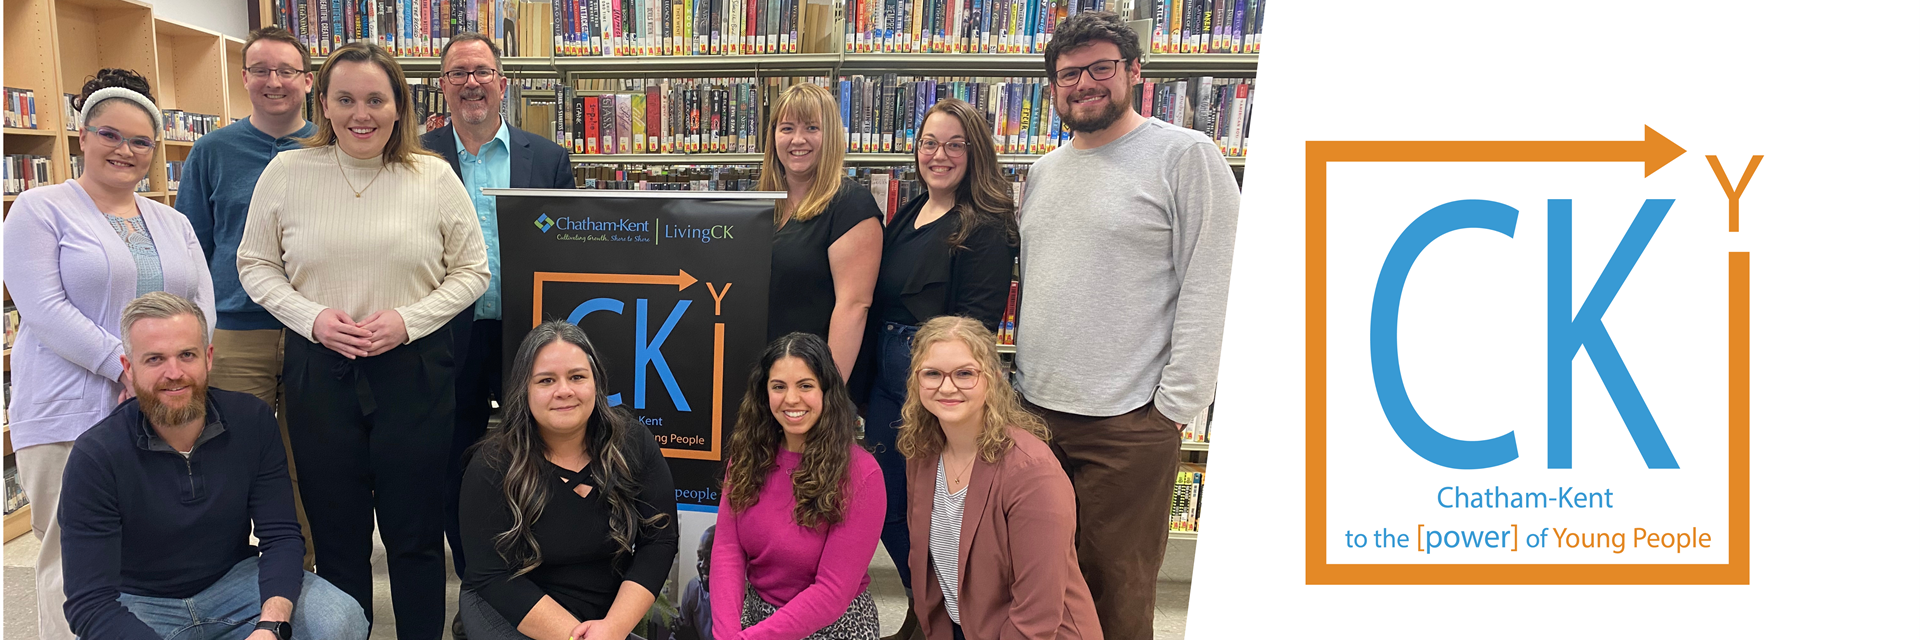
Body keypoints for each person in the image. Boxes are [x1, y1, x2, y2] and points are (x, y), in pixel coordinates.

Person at [236, 42, 490, 640]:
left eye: (376, 99)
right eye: (345, 98)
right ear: (321, 102)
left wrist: (410, 319)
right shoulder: (287, 172)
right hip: (320, 372)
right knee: (337, 538)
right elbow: (255, 264)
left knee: (416, 536)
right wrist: (311, 317)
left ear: (400, 105)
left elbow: (473, 270)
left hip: (415, 373)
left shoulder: (433, 176)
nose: (361, 114)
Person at [1015, 12, 1242, 640]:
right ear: (1052, 87)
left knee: (1115, 591)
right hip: (1036, 414)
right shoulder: (1043, 172)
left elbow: (1211, 283)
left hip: (1128, 422)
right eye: (1068, 74)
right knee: (1042, 583)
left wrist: (1173, 409)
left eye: (1100, 68)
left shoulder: (1186, 156)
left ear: (1135, 72)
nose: (1084, 84)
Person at [2, 68, 217, 640]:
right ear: (82, 136)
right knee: (72, 556)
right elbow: (43, 308)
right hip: (67, 409)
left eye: (140, 140)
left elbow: (201, 304)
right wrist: (125, 368)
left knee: (140, 550)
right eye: (109, 134)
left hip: (156, 409)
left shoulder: (170, 220)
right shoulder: (38, 209)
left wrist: (178, 370)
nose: (125, 150)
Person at [58, 292, 369, 640]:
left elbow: (281, 536)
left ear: (208, 358)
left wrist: (271, 626)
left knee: (341, 618)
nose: (173, 373)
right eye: (155, 359)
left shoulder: (252, 421)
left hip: (234, 583)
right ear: (129, 368)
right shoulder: (95, 455)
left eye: (186, 355)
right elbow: (89, 602)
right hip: (141, 602)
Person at [857, 98, 1017, 640]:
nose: (939, 155)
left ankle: (947, 616)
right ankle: (930, 609)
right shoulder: (908, 213)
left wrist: (945, 389)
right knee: (886, 503)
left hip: (936, 381)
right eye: (930, 143)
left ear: (974, 152)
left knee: (935, 506)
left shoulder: (987, 226)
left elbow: (976, 328)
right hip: (886, 378)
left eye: (953, 145)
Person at [422, 31, 578, 583]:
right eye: (459, 73)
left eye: (482, 72)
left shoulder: (550, 159)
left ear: (502, 84)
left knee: (541, 459)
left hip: (529, 337)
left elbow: (567, 250)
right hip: (447, 337)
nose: (472, 83)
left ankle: (537, 579)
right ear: (442, 86)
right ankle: (477, 583)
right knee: (456, 466)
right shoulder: (419, 158)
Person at [174, 24, 321, 571]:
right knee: (231, 455)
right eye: (261, 69)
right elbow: (192, 246)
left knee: (308, 458)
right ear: (244, 78)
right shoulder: (212, 151)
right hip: (236, 330)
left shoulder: (328, 149)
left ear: (308, 80)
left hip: (314, 329)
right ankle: (228, 572)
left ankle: (300, 571)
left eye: (286, 70)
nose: (273, 81)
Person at [458, 320, 679, 640]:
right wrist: (575, 636)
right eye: (546, 380)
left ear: (596, 383)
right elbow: (491, 574)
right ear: (524, 389)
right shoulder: (492, 463)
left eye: (577, 377)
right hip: (509, 609)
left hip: (603, 620)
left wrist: (613, 628)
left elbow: (658, 541)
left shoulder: (633, 442)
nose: (564, 390)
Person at [899, 316, 1099, 640]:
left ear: (991, 379)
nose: (947, 387)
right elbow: (930, 572)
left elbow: (1037, 613)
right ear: (916, 381)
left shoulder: (1032, 474)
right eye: (932, 373)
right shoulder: (922, 454)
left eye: (964, 373)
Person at [710, 333, 885, 640]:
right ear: (764, 394)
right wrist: (726, 635)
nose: (791, 399)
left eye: (805, 385)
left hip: (834, 628)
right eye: (779, 386)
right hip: (753, 624)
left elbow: (832, 591)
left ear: (827, 392)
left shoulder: (861, 472)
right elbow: (727, 550)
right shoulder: (748, 457)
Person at [758, 83, 883, 379]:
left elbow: (853, 307)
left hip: (809, 381)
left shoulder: (851, 206)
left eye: (812, 128)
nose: (797, 139)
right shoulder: (757, 202)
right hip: (757, 373)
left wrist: (827, 391)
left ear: (830, 136)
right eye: (786, 128)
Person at [670, 526, 718, 640]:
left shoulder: (746, 602)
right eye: (700, 557)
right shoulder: (694, 589)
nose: (703, 565)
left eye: (710, 558)